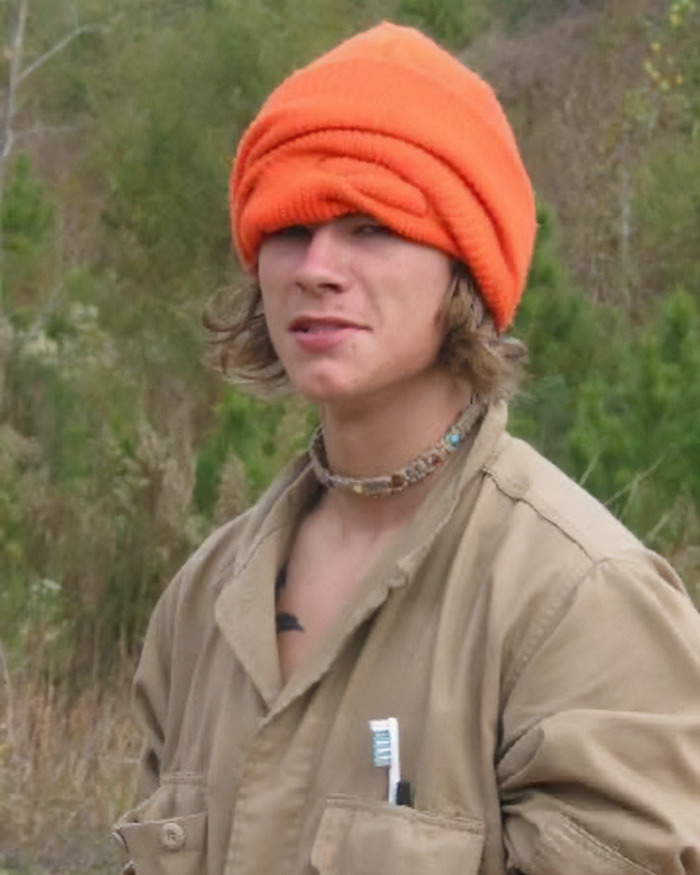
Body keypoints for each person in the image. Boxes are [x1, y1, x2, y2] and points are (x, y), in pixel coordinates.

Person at [114, 21, 700, 875]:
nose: (316, 266)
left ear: (465, 268)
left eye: (368, 226)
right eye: (290, 227)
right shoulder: (201, 604)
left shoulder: (578, 599)